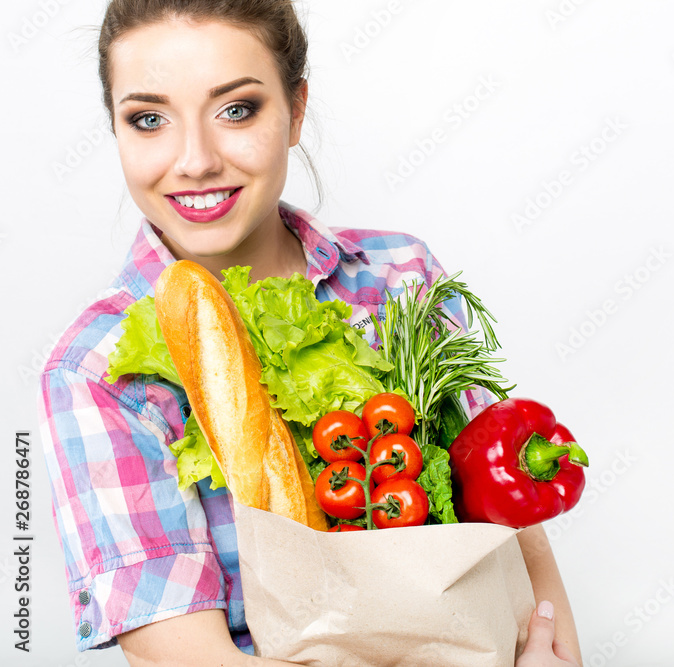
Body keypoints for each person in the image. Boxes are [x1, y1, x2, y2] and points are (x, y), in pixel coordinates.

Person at [37, 1, 583, 665]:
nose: (195, 160)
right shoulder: (98, 369)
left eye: (236, 109)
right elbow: (184, 654)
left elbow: (511, 530)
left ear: (295, 110)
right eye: (148, 119)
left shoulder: (400, 278)